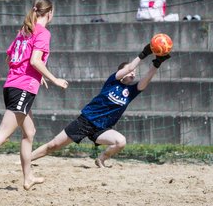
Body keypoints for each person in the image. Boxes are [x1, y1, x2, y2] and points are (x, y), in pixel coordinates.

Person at [0, 0, 69, 191]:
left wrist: (37, 75)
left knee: (29, 132)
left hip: (12, 86)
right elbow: (35, 61)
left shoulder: (23, 31)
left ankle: (28, 177)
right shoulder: (43, 33)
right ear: (50, 13)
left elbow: (10, 59)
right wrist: (53, 78)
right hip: (22, 88)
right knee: (1, 136)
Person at [31, 43, 170, 168]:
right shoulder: (112, 81)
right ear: (121, 73)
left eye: (134, 72)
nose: (133, 72)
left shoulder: (131, 91)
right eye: (129, 71)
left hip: (102, 128)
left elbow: (146, 79)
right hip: (86, 121)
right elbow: (130, 67)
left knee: (120, 141)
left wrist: (156, 63)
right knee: (53, 145)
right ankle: (26, 159)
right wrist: (143, 53)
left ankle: (101, 159)